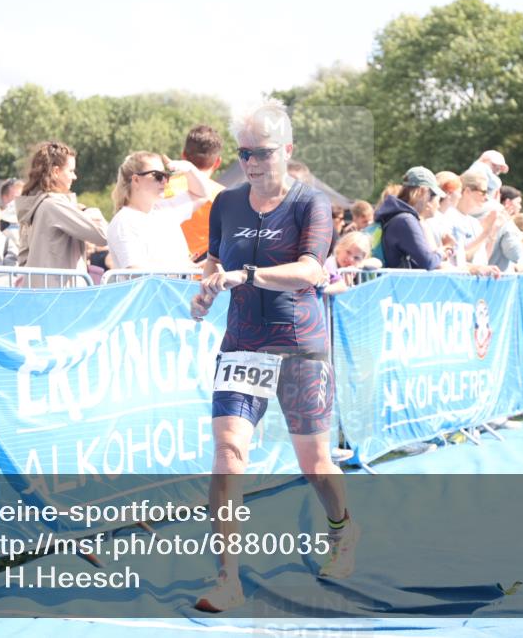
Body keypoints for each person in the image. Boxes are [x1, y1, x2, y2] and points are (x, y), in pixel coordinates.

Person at [189, 98, 357, 612]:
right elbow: (216, 261)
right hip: (242, 343)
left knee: (314, 462)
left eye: (261, 152)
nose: (251, 163)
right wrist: (206, 291)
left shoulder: (311, 204)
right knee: (228, 455)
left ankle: (342, 529)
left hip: (300, 344)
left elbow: (312, 270)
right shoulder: (227, 204)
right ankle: (227, 579)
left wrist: (250, 276)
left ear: (287, 150)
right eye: (242, 153)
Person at [15, 141, 107, 287]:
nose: (74, 177)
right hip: (61, 295)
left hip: (42, 292)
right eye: (71, 171)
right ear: (56, 172)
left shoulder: (34, 205)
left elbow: (23, 257)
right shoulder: (54, 206)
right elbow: (103, 235)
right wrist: (89, 212)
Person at [106, 151, 210, 271]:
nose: (164, 181)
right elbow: (136, 273)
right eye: (158, 176)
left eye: (166, 175)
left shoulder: (164, 209)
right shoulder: (124, 222)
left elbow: (202, 195)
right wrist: (180, 268)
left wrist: (189, 169)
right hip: (152, 289)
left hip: (177, 288)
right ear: (136, 180)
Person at [168, 125, 227, 262]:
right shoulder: (225, 196)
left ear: (183, 156)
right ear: (218, 162)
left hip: (165, 272)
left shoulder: (162, 188)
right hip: (206, 273)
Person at [373, 167, 451, 270]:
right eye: (433, 195)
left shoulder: (397, 216)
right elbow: (428, 262)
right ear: (422, 191)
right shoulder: (406, 220)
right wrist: (440, 253)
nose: (436, 202)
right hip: (400, 284)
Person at [489, 186, 523, 273]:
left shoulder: (485, 218)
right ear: (508, 202)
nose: (520, 207)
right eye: (518, 203)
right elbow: (515, 254)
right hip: (498, 278)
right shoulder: (506, 225)